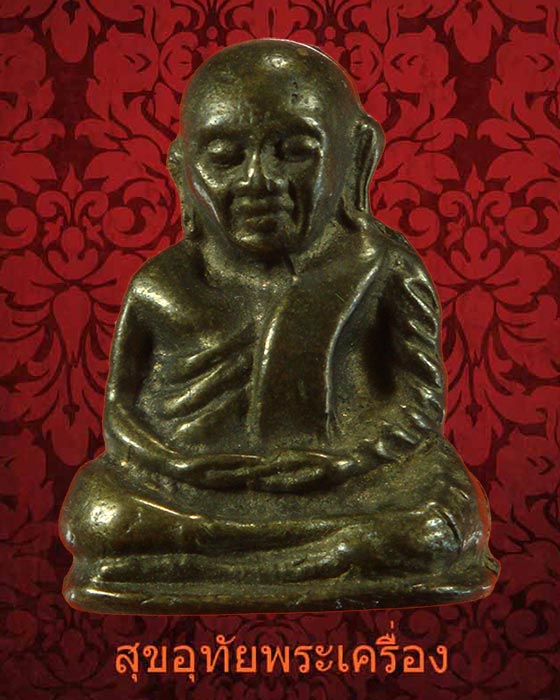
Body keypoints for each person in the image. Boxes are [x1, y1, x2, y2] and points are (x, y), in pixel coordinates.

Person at [60, 39, 498, 613]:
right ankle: (321, 556)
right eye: (224, 158)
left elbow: (419, 402)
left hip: (347, 484)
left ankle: (219, 559)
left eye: (293, 152)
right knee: (99, 515)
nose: (258, 181)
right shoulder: (162, 284)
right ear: (182, 169)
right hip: (189, 488)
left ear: (356, 156)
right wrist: (177, 464)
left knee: (437, 524)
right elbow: (121, 412)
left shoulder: (382, 266)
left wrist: (347, 461)